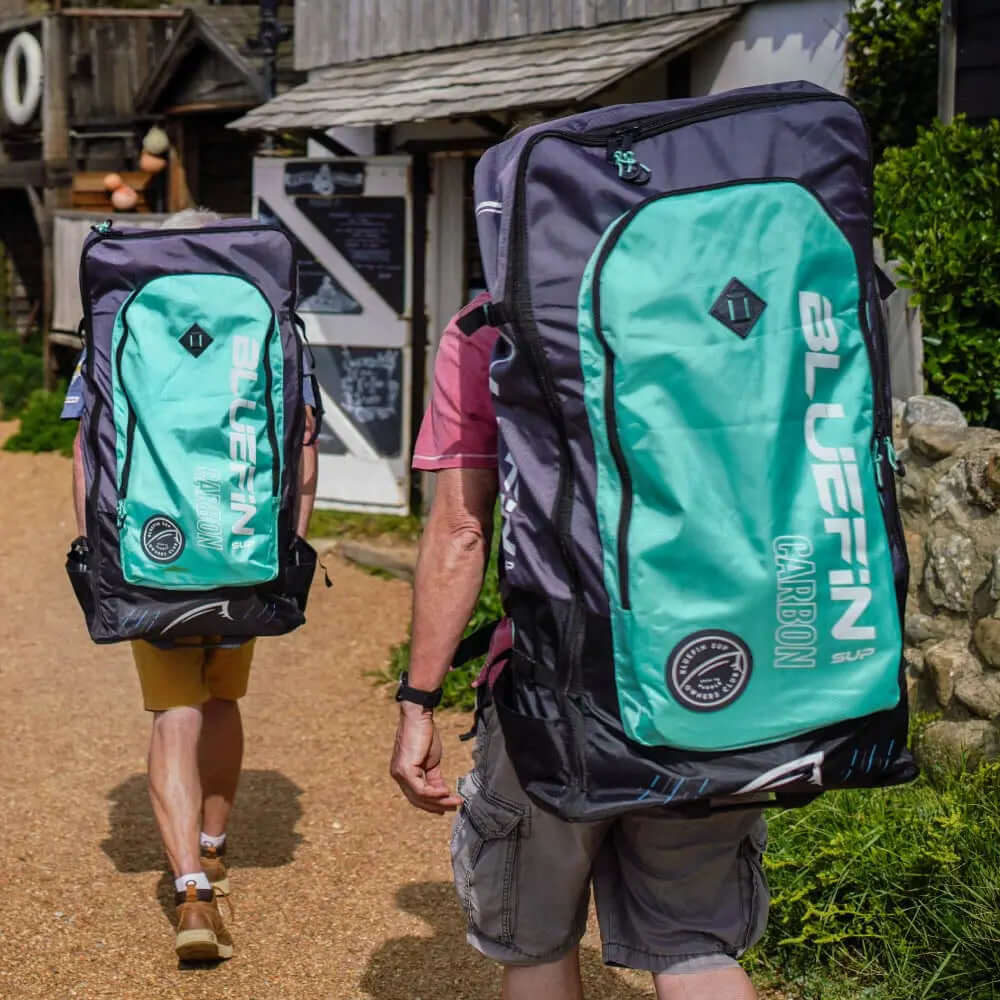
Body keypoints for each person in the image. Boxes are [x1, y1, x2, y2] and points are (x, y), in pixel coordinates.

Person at [389, 294, 767, 1000]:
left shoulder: (492, 319)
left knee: (537, 942)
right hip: (717, 672)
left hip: (552, 683)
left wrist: (418, 702)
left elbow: (461, 531)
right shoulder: (729, 292)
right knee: (694, 944)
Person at [63, 207, 319, 961]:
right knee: (223, 696)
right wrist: (289, 545)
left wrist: (95, 552)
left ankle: (189, 892)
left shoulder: (118, 328)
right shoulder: (271, 329)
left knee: (174, 710)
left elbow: (88, 456)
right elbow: (300, 453)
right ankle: (214, 843)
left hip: (149, 551)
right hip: (244, 549)